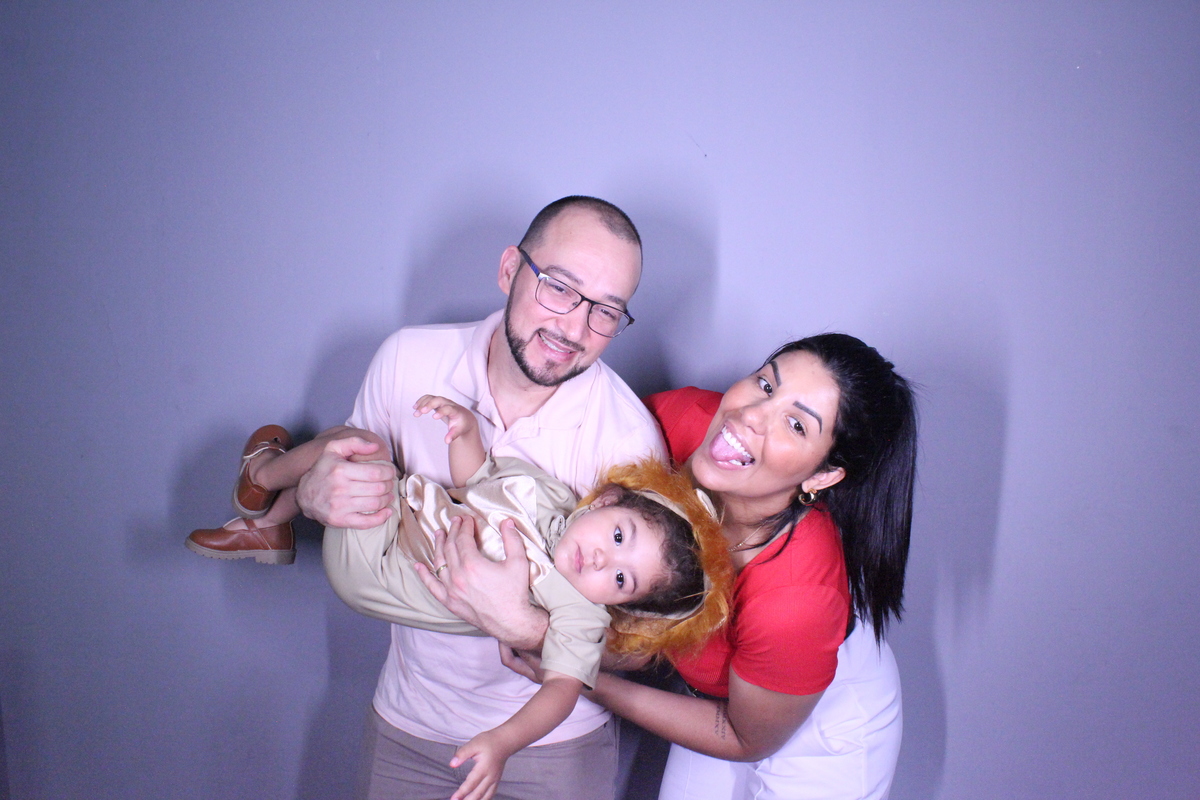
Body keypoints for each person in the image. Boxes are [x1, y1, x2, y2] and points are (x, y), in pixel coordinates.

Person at [292, 196, 668, 800]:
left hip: (557, 751)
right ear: (509, 270)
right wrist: (312, 491)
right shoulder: (407, 361)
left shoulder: (629, 442)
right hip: (408, 724)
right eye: (559, 288)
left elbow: (642, 650)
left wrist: (526, 626)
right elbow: (354, 480)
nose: (574, 329)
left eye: (606, 311)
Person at [497, 332, 916, 800]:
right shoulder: (682, 422)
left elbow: (746, 737)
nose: (750, 416)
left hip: (822, 726)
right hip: (719, 701)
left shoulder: (795, 599)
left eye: (796, 425)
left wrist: (579, 677)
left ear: (823, 475)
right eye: (766, 385)